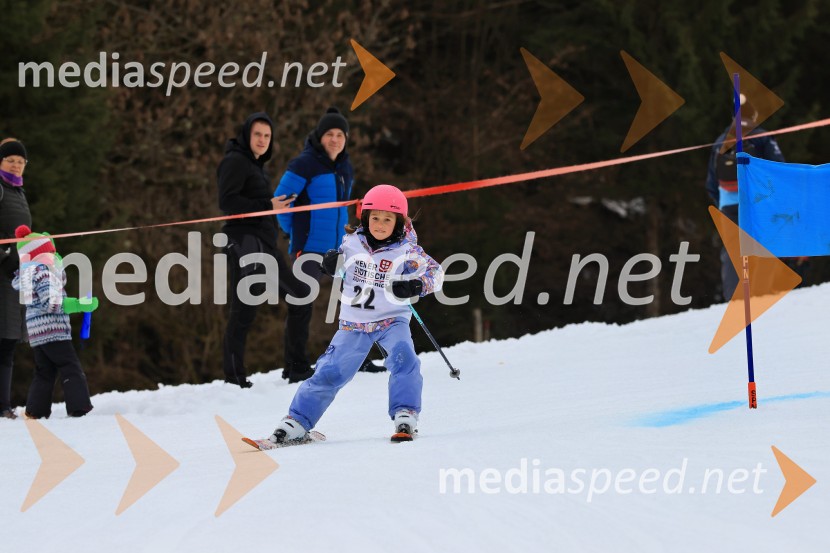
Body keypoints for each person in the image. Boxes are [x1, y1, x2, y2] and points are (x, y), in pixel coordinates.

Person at [264, 184, 444, 444]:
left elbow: (436, 274)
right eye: (375, 218)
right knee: (331, 370)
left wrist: (416, 285)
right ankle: (297, 421)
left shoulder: (407, 250)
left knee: (404, 360)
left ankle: (405, 413)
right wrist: (330, 264)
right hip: (355, 323)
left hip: (392, 320)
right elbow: (340, 269)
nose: (379, 225)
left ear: (398, 222)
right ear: (365, 217)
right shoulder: (351, 243)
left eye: (387, 219)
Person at [274, 106, 385, 378]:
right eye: (329, 134)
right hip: (309, 247)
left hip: (339, 247)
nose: (335, 139)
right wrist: (293, 233)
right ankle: (295, 367)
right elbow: (280, 204)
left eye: (340, 135)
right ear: (319, 136)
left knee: (359, 299)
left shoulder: (345, 167)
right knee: (302, 301)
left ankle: (357, 358)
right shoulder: (303, 164)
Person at [218, 112, 312, 387]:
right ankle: (234, 378)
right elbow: (227, 203)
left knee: (299, 297)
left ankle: (295, 368)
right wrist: (268, 206)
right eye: (257, 134)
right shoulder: (235, 161)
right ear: (246, 135)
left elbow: (257, 204)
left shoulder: (256, 166)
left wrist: (275, 211)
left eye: (267, 136)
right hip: (245, 243)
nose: (262, 140)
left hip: (264, 243)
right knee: (245, 308)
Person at [11, 225, 97, 419]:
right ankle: (79, 407)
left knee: (45, 371)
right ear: (40, 254)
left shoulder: (29, 274)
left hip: (37, 333)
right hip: (53, 330)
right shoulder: (43, 272)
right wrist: (78, 304)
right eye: (51, 252)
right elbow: (51, 303)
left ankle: (36, 411)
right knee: (70, 366)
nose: (55, 256)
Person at [705, 96, 785, 299]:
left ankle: (735, 298)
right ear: (754, 115)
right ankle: (764, 295)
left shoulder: (720, 141)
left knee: (733, 252)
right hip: (759, 203)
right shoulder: (762, 136)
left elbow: (711, 184)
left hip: (729, 205)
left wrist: (723, 203)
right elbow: (779, 169)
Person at [0, 138, 32, 419]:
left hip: (14, 277)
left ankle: (3, 405)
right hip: (4, 271)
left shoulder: (18, 192)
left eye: (20, 162)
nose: (16, 165)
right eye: (10, 160)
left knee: (8, 341)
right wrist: (5, 256)